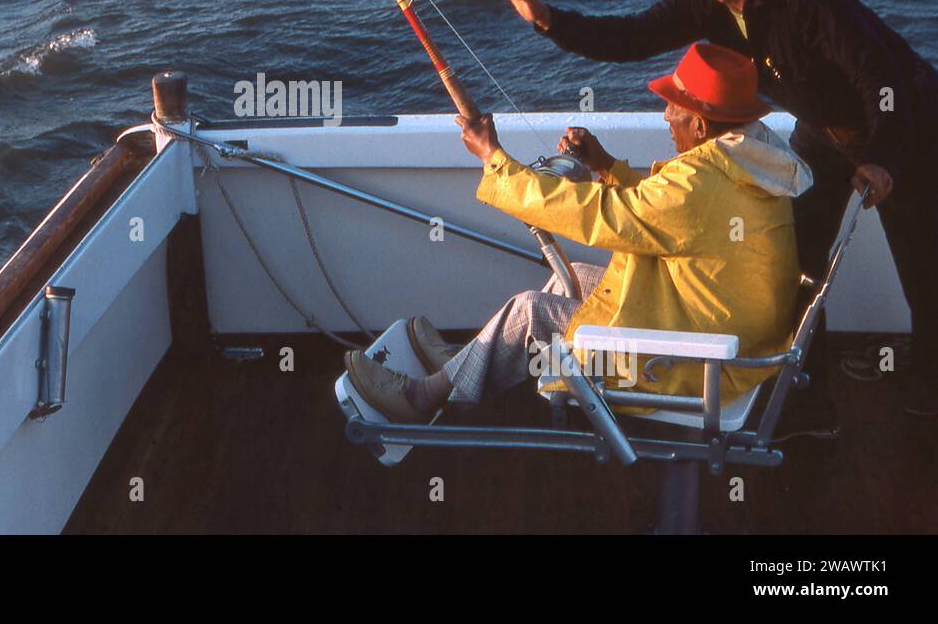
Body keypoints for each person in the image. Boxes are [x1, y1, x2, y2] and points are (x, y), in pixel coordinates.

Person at [484, 0, 938, 419]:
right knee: (796, 261)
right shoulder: (705, 0)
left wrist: (882, 156)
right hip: (825, 127)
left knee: (924, 258)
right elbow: (629, 38)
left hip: (906, 121)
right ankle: (802, 400)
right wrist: (546, 19)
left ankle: (929, 385)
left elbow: (876, 73)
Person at [343, 43, 812, 424]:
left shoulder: (700, 183)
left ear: (701, 123)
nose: (666, 116)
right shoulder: (747, 158)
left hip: (693, 365)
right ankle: (465, 363)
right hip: (728, 335)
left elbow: (601, 216)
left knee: (531, 310)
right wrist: (605, 167)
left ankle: (423, 398)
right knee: (569, 281)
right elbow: (669, 214)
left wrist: (495, 162)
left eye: (673, 106)